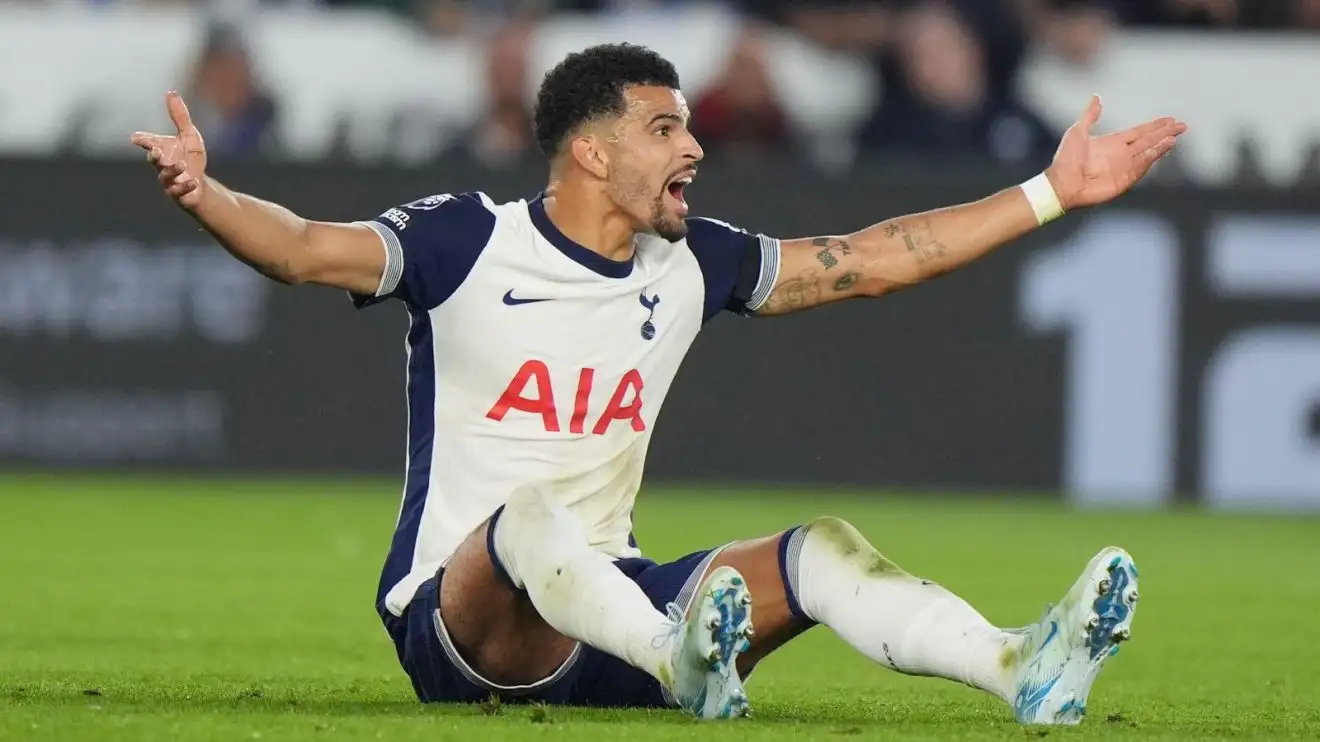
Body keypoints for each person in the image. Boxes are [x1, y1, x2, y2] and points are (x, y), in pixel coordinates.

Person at [131, 43, 1182, 724]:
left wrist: (1054, 190)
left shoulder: (695, 260)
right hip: (464, 625)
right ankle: (679, 655)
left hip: (610, 611)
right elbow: (306, 249)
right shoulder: (466, 241)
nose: (696, 144)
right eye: (665, 128)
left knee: (817, 552)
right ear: (589, 152)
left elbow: (878, 256)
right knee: (530, 514)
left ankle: (1020, 667)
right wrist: (205, 189)